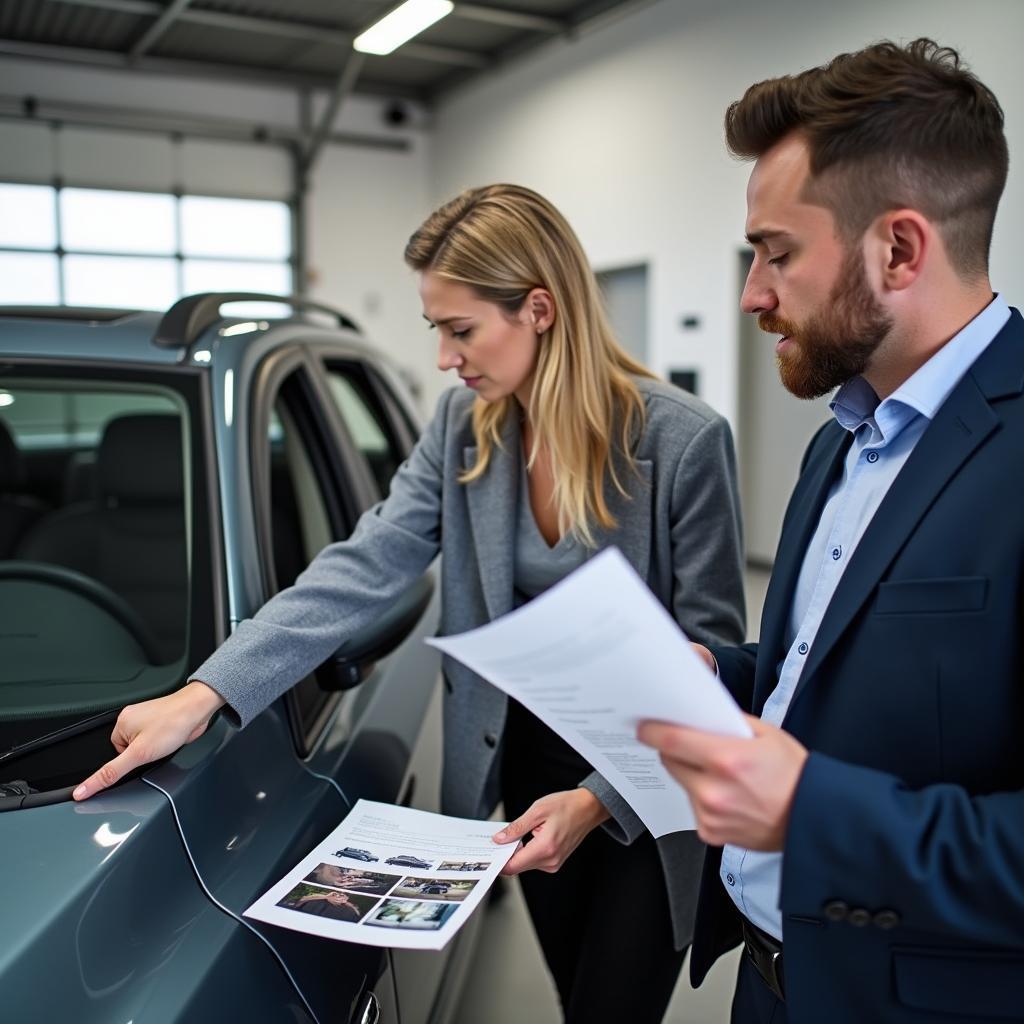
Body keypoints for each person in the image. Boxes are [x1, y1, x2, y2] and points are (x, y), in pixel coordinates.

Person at [73, 184, 745, 1022]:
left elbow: (715, 659)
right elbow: (365, 562)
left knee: (618, 1003)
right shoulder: (467, 422)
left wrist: (596, 799)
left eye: (460, 330)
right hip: (526, 761)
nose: (443, 358)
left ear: (538, 308)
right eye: (437, 330)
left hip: (642, 779)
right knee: (577, 992)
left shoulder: (681, 440)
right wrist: (204, 691)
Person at [638, 39, 1022, 1024]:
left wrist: (812, 814)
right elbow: (841, 670)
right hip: (766, 982)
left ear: (898, 248)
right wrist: (724, 673)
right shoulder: (840, 438)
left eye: (776, 253)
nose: (750, 294)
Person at [289, 889, 364, 923]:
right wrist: (325, 897)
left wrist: (346, 903)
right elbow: (299, 903)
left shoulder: (350, 910)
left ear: (346, 898)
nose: (337, 896)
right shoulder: (317, 900)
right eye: (335, 894)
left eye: (341, 895)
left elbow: (357, 916)